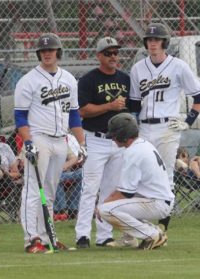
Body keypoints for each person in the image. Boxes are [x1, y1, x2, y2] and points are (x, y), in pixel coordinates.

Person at [129, 23, 200, 232]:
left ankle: (163, 226)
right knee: (141, 175)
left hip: (168, 127)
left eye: (157, 40)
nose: (153, 43)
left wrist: (188, 122)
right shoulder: (138, 68)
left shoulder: (178, 66)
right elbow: (135, 103)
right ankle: (143, 226)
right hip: (144, 128)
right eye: (150, 40)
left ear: (165, 42)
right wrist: (132, 125)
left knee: (166, 176)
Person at [14, 33, 86, 254]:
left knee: (51, 192)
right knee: (33, 190)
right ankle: (31, 239)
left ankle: (47, 238)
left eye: (51, 50)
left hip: (61, 140)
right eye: (43, 51)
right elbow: (20, 116)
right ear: (39, 54)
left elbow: (74, 114)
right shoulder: (28, 80)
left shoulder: (69, 79)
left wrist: (82, 143)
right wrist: (28, 142)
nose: (47, 53)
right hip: (39, 138)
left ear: (58, 53)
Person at [75, 36, 130, 248]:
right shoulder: (89, 80)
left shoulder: (125, 78)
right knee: (90, 188)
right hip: (95, 139)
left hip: (118, 142)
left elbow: (132, 106)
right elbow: (82, 111)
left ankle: (104, 235)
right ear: (99, 56)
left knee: (111, 189)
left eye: (116, 52)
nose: (113, 57)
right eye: (108, 53)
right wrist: (109, 106)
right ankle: (82, 234)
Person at [99, 113, 174, 250]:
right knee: (114, 205)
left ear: (123, 135)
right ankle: (131, 239)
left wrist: (103, 205)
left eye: (115, 135)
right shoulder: (142, 144)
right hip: (157, 199)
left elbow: (125, 193)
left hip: (156, 203)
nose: (113, 139)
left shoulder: (134, 152)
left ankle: (152, 234)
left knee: (105, 210)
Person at [54, 135, 82, 221]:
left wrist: (65, 165)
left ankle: (73, 209)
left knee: (83, 173)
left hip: (64, 173)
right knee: (56, 177)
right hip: (49, 175)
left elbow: (75, 158)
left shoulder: (62, 143)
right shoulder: (39, 142)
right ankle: (61, 210)